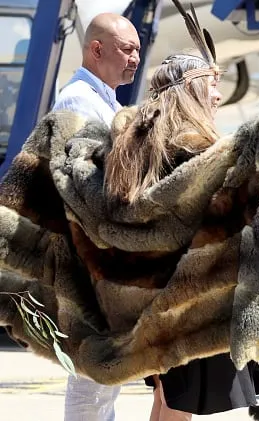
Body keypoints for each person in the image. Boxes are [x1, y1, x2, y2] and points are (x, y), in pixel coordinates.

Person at [104, 50, 259, 421]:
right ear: (191, 88)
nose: (218, 95)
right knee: (181, 399)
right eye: (212, 84)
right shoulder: (193, 147)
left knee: (167, 393)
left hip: (153, 289)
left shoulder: (148, 141)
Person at [50, 12, 141, 421]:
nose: (135, 58)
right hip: (91, 259)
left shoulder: (104, 99)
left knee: (105, 380)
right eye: (127, 49)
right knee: (92, 378)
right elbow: (80, 183)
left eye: (138, 49)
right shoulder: (78, 101)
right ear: (96, 50)